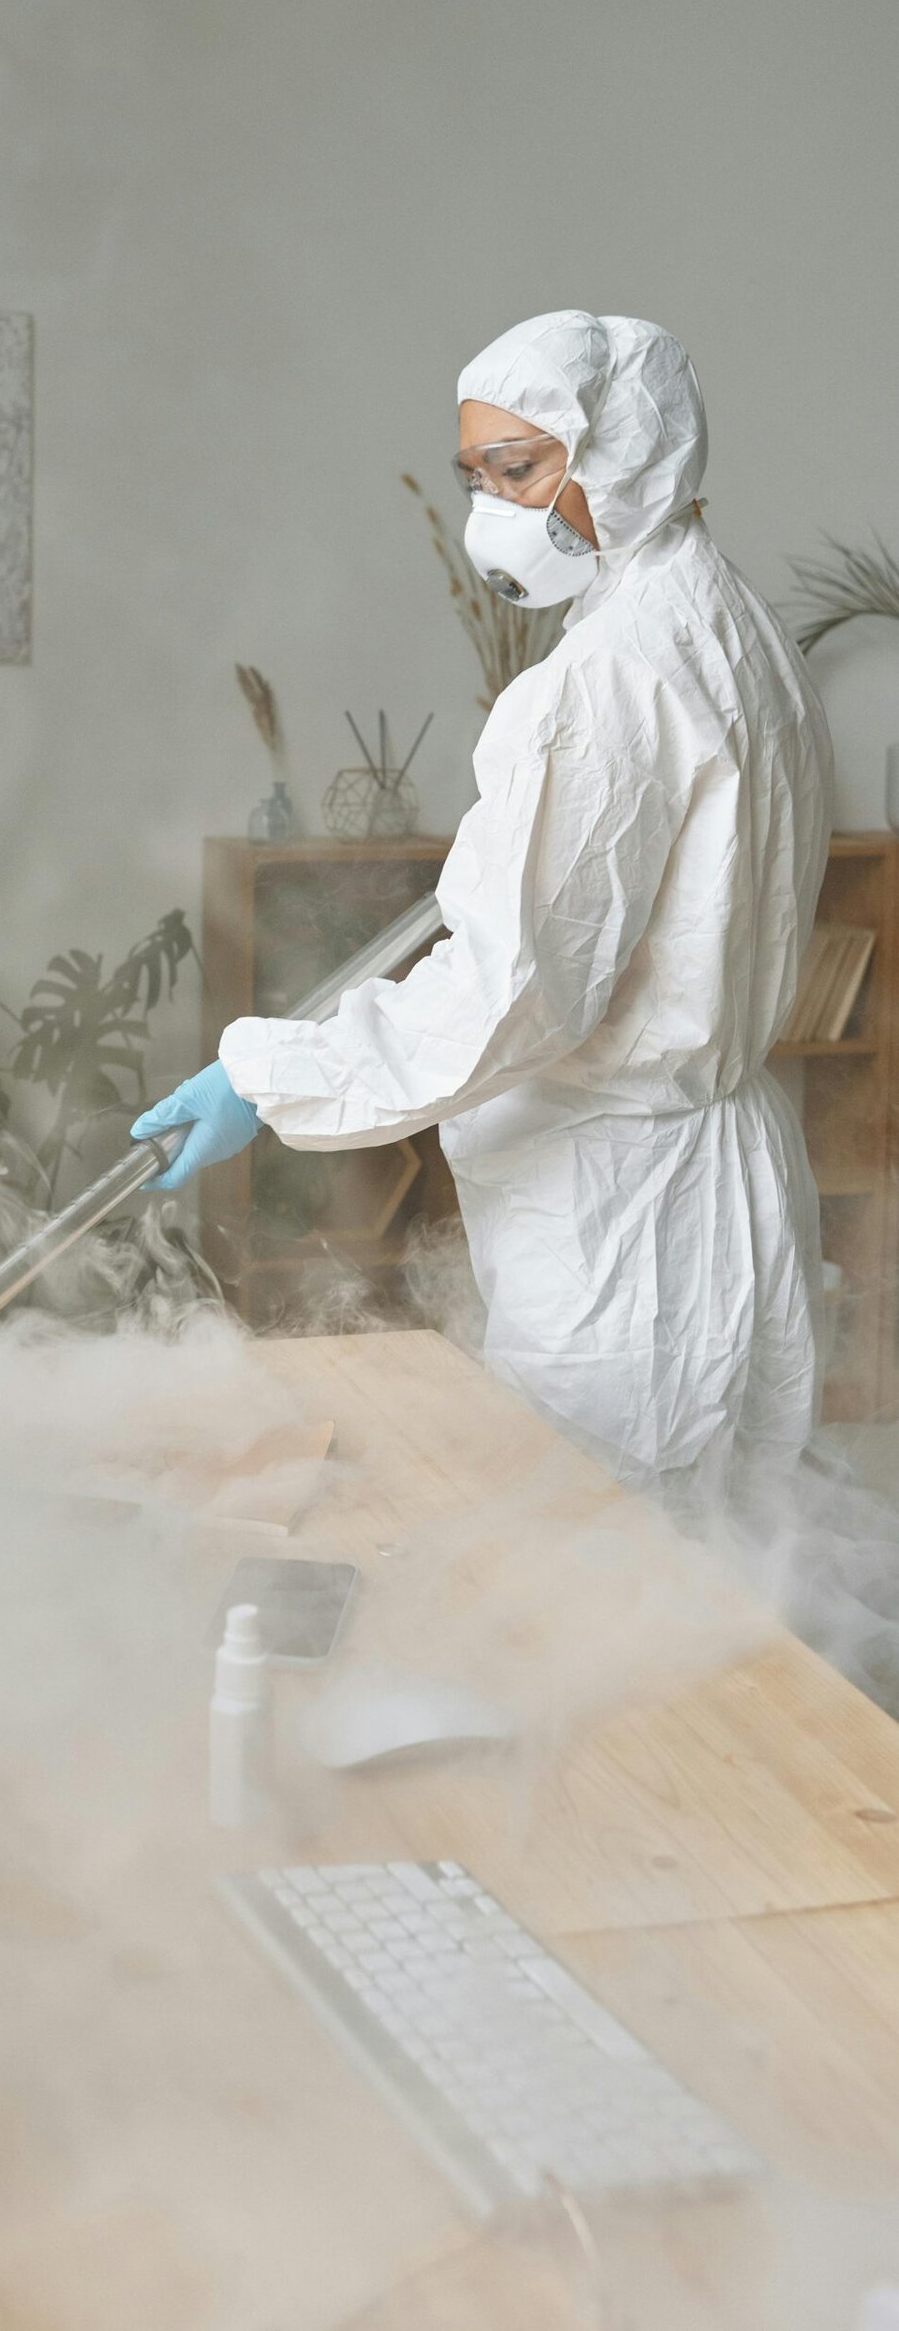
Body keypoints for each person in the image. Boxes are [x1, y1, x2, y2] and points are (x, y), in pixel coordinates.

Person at [134, 311, 833, 1505]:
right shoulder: (732, 625)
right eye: (478, 476)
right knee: (718, 1574)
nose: (490, 513)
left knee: (594, 1574)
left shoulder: (603, 679)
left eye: (519, 470)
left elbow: (513, 995)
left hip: (621, 1231)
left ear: (628, 453)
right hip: (730, 1181)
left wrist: (266, 1075)